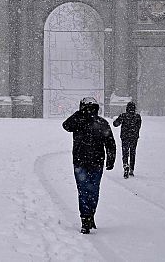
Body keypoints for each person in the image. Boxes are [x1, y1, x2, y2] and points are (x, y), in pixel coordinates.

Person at [62, 97, 116, 234]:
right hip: (94, 162)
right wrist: (110, 159)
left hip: (82, 162)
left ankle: (86, 217)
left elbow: (110, 143)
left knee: (84, 191)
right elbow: (66, 125)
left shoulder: (84, 121)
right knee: (92, 190)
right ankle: (88, 216)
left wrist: (79, 114)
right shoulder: (99, 122)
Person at [113, 101, 142, 179]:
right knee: (133, 153)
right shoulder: (137, 117)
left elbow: (115, 124)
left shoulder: (123, 116)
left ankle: (125, 166)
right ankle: (131, 169)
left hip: (125, 137)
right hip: (134, 138)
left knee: (125, 153)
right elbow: (138, 126)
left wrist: (117, 120)